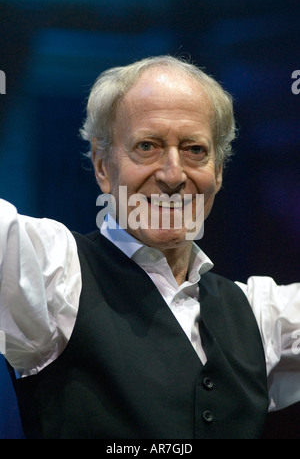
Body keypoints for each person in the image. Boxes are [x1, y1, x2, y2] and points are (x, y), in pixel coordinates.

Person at [0, 55, 299, 439]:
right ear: (103, 166)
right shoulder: (53, 275)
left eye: (194, 149)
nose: (173, 175)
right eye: (147, 146)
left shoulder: (262, 317)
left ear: (219, 172)